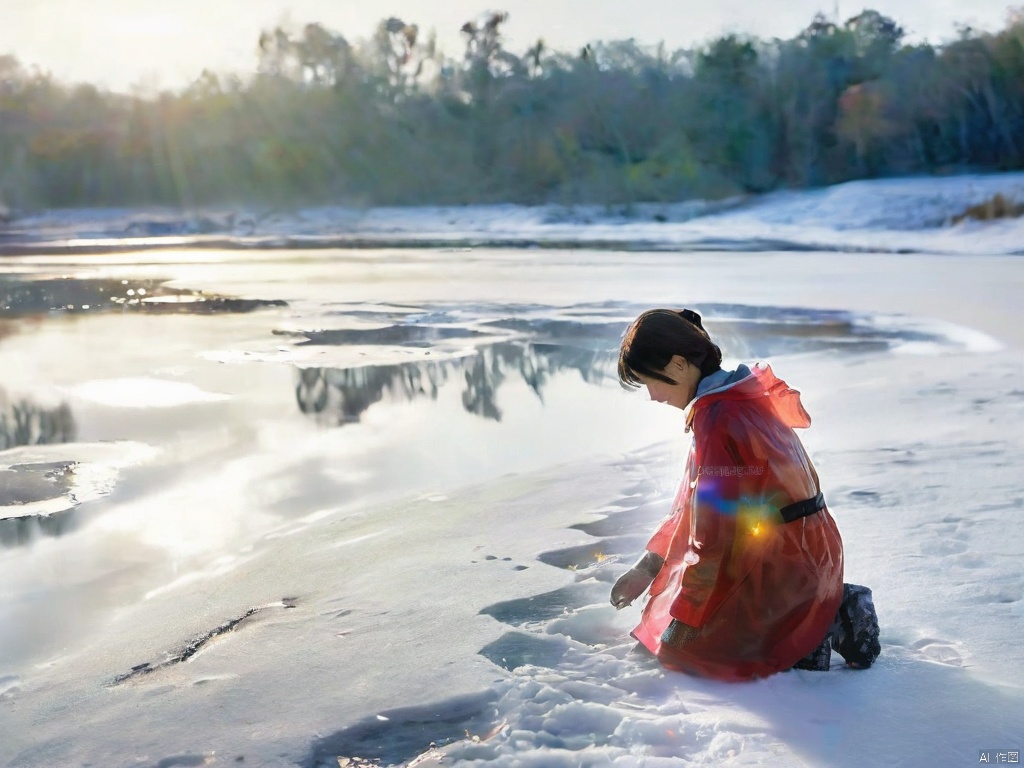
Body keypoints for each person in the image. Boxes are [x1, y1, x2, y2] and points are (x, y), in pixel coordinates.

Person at [610, 308, 880, 681]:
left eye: (650, 383)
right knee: (687, 623)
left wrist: (686, 619)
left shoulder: (719, 418)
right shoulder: (739, 395)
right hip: (812, 549)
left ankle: (824, 618)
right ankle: (811, 616)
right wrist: (648, 566)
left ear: (677, 364)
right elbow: (694, 509)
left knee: (684, 652)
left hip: (782, 559)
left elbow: (711, 533)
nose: (654, 397)